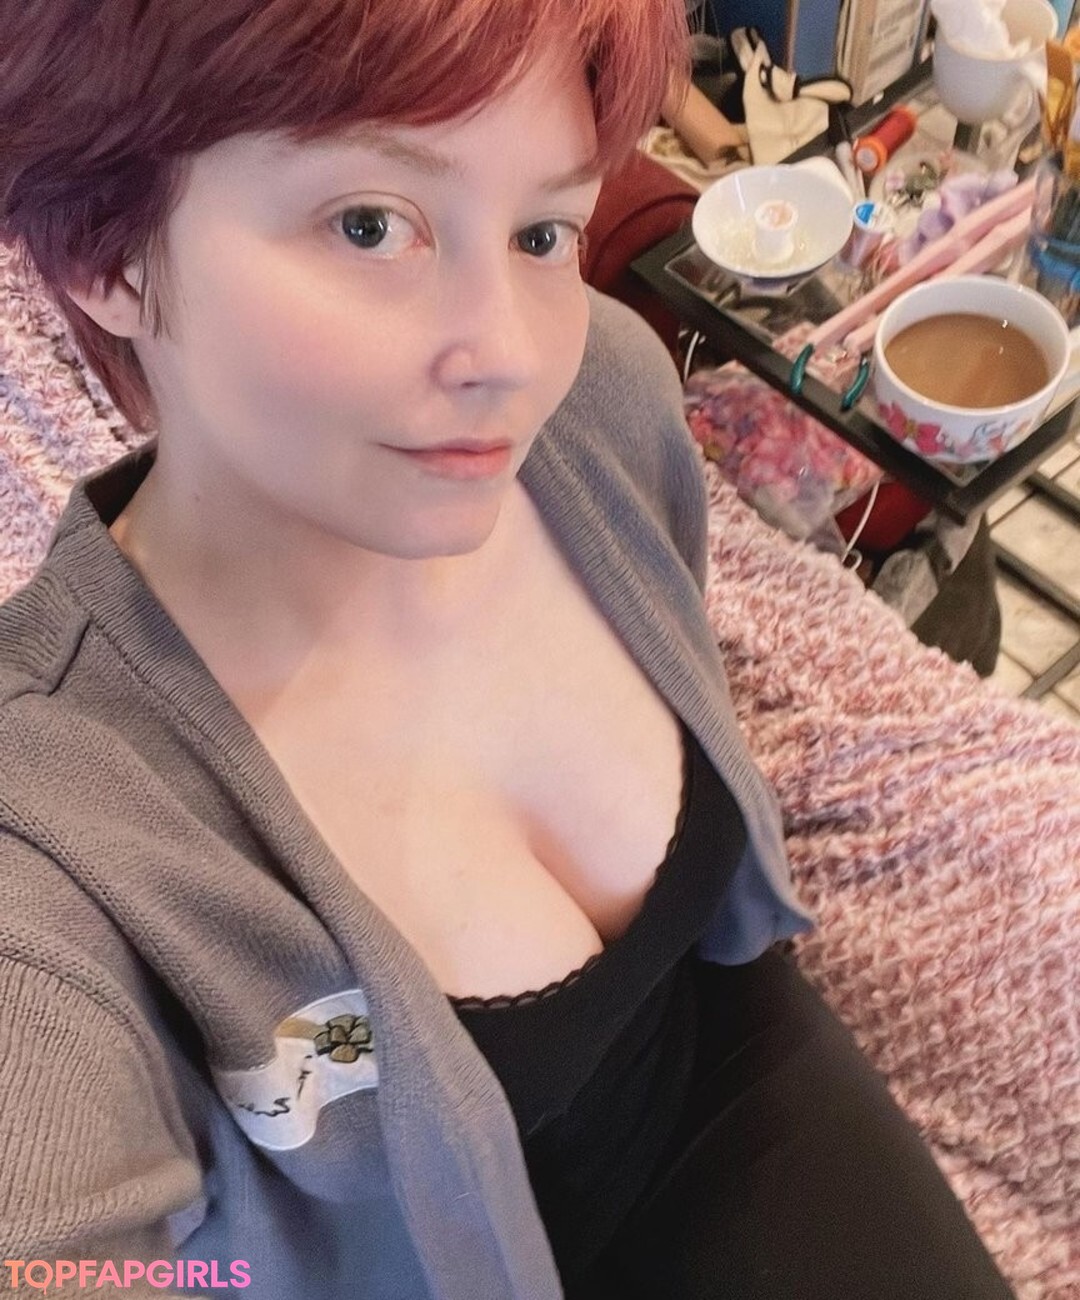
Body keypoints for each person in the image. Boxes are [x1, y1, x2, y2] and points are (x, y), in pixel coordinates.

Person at [0, 2, 1016, 1296]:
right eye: (371, 224)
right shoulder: (54, 849)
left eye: (544, 232)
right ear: (106, 246)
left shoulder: (607, 402)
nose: (514, 357)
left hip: (754, 1064)